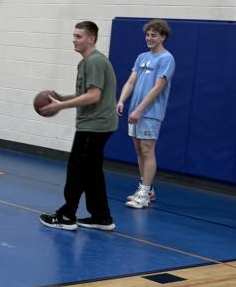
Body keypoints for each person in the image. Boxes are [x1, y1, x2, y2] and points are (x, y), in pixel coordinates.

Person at [38, 20, 118, 231]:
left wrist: (61, 105)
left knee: (77, 171)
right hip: (96, 125)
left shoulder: (95, 61)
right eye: (73, 36)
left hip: (94, 126)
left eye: (78, 36)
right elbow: (86, 94)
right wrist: (63, 98)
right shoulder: (85, 62)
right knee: (92, 172)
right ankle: (101, 217)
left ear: (91, 38)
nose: (74, 40)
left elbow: (94, 96)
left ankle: (66, 216)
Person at [116, 19, 175, 209]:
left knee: (148, 150)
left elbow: (158, 87)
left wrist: (140, 109)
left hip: (150, 113)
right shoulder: (142, 57)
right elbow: (131, 81)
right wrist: (121, 100)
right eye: (147, 35)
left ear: (163, 37)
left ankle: (144, 195)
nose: (149, 38)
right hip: (134, 111)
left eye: (154, 35)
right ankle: (146, 188)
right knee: (139, 150)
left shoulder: (166, 59)